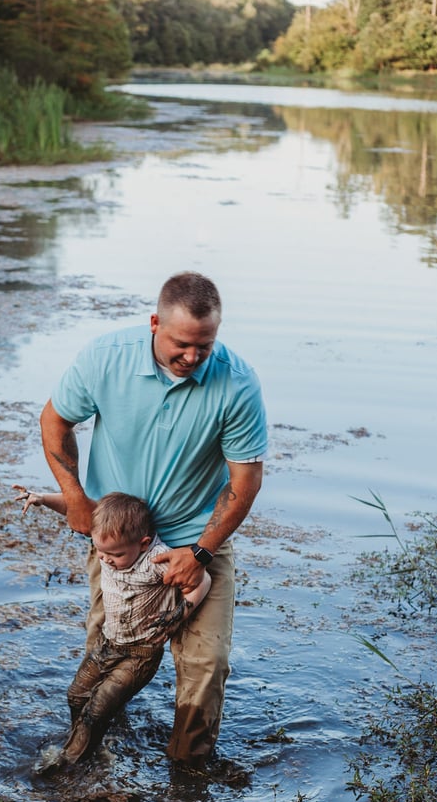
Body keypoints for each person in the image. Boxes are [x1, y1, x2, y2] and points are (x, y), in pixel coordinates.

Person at [38, 271, 267, 768]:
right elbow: (55, 420)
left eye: (203, 347)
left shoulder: (238, 383)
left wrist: (200, 553)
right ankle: (96, 750)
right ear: (154, 323)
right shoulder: (105, 358)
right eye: (181, 344)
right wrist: (74, 496)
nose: (192, 357)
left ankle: (188, 775)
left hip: (198, 540)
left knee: (206, 666)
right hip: (121, 542)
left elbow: (243, 483)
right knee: (105, 653)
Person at [14, 488, 210, 762]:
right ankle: (87, 741)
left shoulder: (156, 560)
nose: (105, 559)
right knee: (76, 695)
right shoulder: (108, 542)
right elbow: (77, 508)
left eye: (114, 555)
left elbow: (203, 581)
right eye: (100, 551)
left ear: (142, 544)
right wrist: (43, 499)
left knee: (98, 708)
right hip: (108, 643)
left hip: (141, 654)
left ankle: (70, 761)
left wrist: (180, 613)